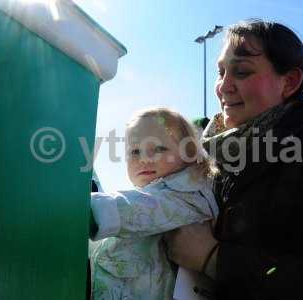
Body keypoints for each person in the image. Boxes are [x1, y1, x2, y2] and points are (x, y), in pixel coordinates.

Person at [164, 19, 303, 299]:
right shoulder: (211, 154)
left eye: (241, 72)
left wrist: (214, 258)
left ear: (289, 82)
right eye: (221, 72)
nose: (223, 87)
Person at [89, 108, 219, 300]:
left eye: (159, 148)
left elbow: (141, 209)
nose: (143, 158)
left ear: (189, 154)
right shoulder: (148, 194)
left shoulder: (188, 196)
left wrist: (82, 208)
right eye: (134, 151)